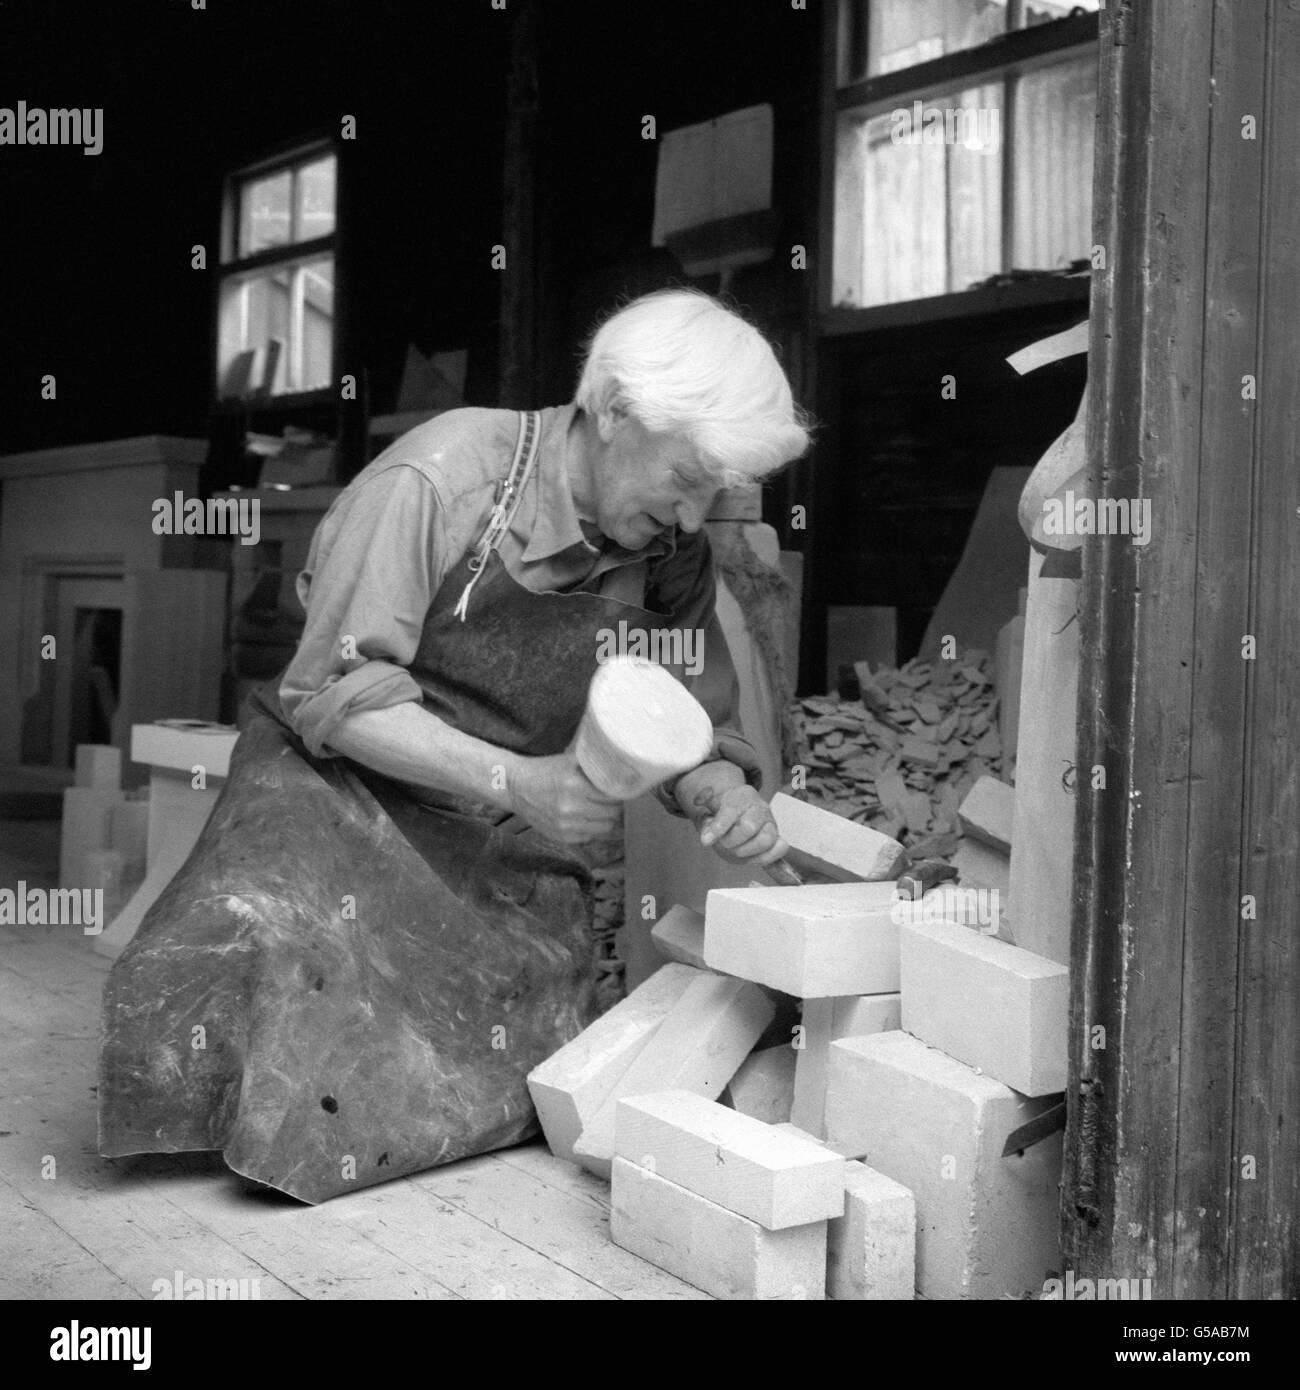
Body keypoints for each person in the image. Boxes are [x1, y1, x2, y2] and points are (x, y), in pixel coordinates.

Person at [99, 288, 811, 1203]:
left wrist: (718, 789)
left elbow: (691, 716)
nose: (690, 515)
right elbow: (332, 693)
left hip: (498, 830)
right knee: (266, 944)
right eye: (685, 479)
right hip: (339, 790)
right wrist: (518, 777)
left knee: (537, 1054)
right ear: (613, 410)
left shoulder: (670, 555)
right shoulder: (440, 478)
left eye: (714, 489)